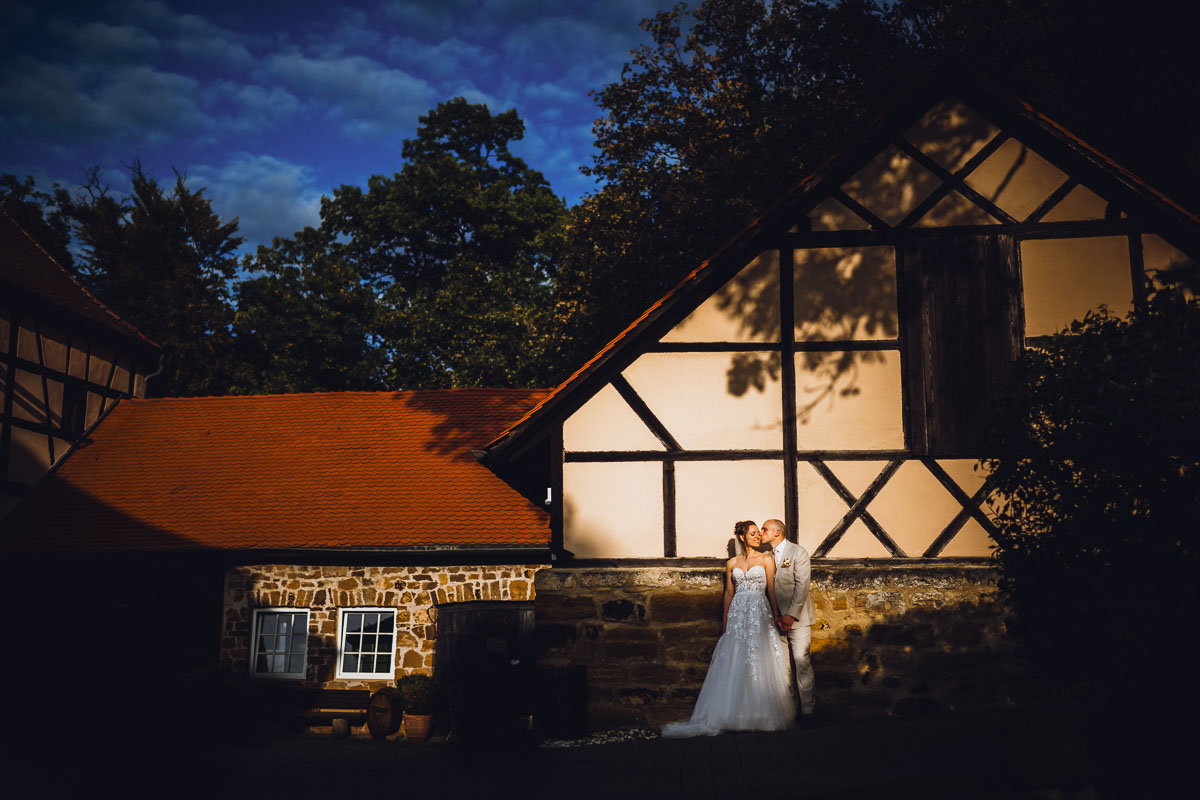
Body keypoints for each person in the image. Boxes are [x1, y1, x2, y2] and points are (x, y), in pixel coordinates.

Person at [662, 521, 796, 737]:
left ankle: (761, 713)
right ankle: (733, 713)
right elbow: (728, 594)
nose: (757, 537)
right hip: (737, 613)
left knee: (759, 659)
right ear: (742, 537)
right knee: (735, 657)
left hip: (758, 611)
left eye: (758, 534)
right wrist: (725, 621)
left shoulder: (766, 559)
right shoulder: (731, 563)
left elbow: (772, 590)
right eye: (753, 534)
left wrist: (776, 616)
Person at [759, 518, 815, 718]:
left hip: (798, 620)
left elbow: (802, 586)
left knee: (802, 663)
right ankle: (790, 713)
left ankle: (808, 712)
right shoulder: (765, 556)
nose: (761, 532)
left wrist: (790, 616)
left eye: (764, 529)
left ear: (777, 532)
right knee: (782, 668)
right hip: (774, 621)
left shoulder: (798, 552)